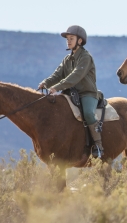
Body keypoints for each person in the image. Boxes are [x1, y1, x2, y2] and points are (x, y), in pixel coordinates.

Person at [38, 25, 104, 159]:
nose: (68, 41)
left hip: (87, 94)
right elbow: (57, 74)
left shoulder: (86, 57)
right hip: (70, 93)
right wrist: (46, 82)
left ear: (80, 41)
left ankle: (98, 145)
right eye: (67, 39)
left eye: (71, 38)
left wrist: (57, 87)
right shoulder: (66, 59)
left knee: (88, 113)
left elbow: (75, 76)